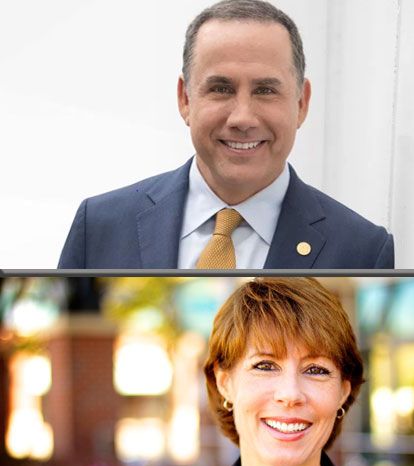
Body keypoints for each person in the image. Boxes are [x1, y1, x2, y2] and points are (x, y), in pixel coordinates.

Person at [59, 0, 393, 269]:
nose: (242, 118)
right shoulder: (100, 226)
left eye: (265, 90)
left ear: (302, 102)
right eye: (221, 88)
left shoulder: (362, 251)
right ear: (185, 99)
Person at [128, 278, 414, 466]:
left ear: (343, 392)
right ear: (225, 382)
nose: (290, 395)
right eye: (265, 365)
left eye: (316, 370)